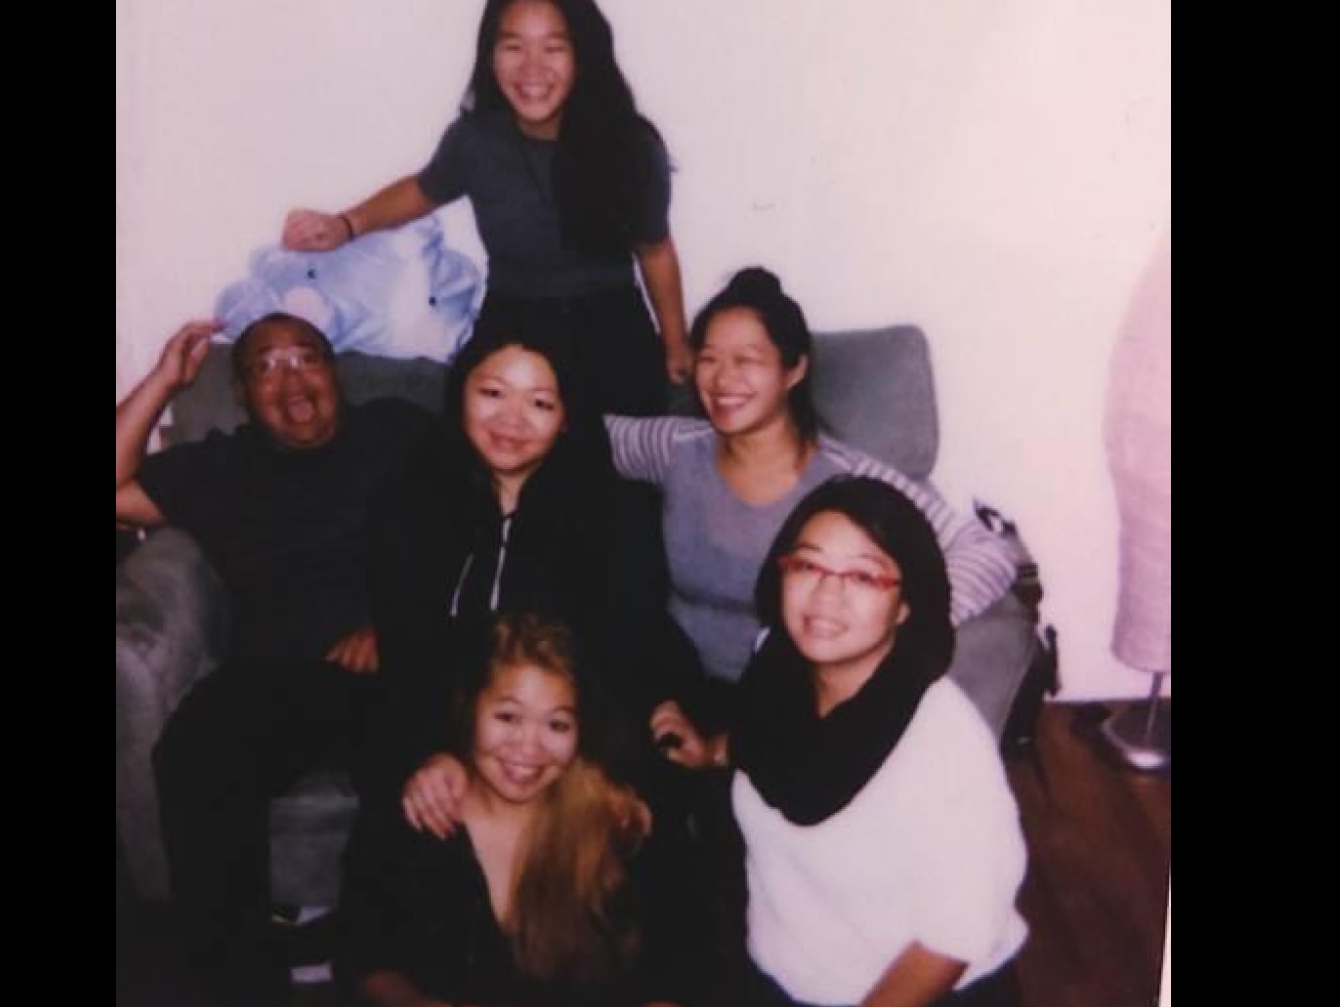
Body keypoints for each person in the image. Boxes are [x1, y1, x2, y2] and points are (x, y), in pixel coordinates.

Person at [115, 313, 431, 1005]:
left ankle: (384, 963)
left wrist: (400, 623)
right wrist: (164, 380)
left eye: (306, 358)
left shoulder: (397, 433)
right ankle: (240, 985)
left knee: (412, 754)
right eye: (265, 367)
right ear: (240, 393)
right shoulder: (220, 466)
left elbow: (482, 509)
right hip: (279, 679)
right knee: (196, 749)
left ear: (335, 371)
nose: (292, 380)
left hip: (399, 662)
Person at [603, 267, 1020, 767]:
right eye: (708, 359)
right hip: (669, 686)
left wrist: (908, 624)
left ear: (794, 370)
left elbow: (988, 549)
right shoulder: (674, 447)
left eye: (747, 360)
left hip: (788, 704)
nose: (723, 379)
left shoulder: (847, 479)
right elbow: (583, 435)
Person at [281, 0, 690, 417]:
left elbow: (655, 250)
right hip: (513, 318)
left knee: (609, 449)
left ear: (581, 57)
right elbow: (423, 190)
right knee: (474, 438)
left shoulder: (630, 146)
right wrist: (346, 225)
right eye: (513, 47)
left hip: (608, 325)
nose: (531, 67)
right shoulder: (475, 140)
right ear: (490, 56)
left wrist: (676, 345)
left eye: (553, 48)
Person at [366, 319, 700, 822]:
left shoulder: (618, 512)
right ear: (460, 397)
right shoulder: (410, 505)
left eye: (540, 403)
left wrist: (597, 757)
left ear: (566, 418)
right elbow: (408, 655)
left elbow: (625, 652)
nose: (512, 419)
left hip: (575, 728)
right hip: (448, 723)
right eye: (493, 393)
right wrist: (431, 752)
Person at [728, 477, 1028, 1007]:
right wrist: (713, 748)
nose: (826, 595)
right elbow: (771, 744)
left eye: (863, 576)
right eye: (807, 566)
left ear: (905, 605)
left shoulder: (944, 745)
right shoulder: (776, 664)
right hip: (782, 972)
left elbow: (956, 935)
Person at [333, 614, 699, 1007]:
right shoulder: (418, 810)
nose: (528, 748)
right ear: (470, 711)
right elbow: (365, 961)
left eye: (557, 725)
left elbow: (677, 967)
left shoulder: (618, 826)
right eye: (508, 717)